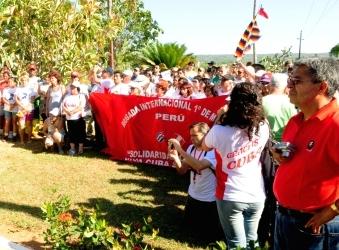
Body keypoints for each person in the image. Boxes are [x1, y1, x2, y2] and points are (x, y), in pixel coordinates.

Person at [273, 58, 339, 250]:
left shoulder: (335, 124)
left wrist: (334, 209)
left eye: (297, 81)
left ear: (322, 87)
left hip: (315, 225)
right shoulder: (296, 120)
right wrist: (277, 154)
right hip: (284, 217)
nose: (289, 86)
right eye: (289, 80)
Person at [201, 82, 269, 249]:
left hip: (230, 194)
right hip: (257, 195)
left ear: (233, 104)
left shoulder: (219, 131)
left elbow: (203, 145)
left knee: (235, 244)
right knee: (252, 241)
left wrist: (219, 116)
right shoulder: (263, 126)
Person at [168, 122, 223, 243]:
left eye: (195, 135)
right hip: (193, 195)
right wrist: (176, 157)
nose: (191, 139)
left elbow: (199, 166)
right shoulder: (191, 149)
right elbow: (182, 171)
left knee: (207, 235)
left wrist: (180, 150)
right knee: (188, 229)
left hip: (209, 199)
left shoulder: (213, 151)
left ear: (206, 135)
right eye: (190, 136)